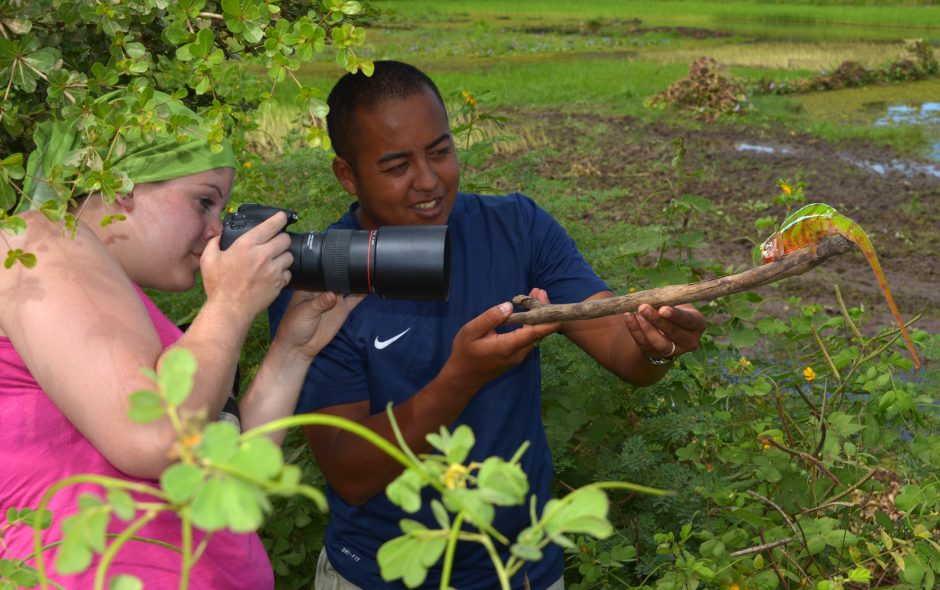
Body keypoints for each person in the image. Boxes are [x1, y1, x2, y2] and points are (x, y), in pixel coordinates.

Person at [268, 60, 708, 590]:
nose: (428, 181)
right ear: (347, 175)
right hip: (380, 576)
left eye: (440, 151)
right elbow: (352, 473)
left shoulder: (516, 228)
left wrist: (658, 343)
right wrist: (461, 377)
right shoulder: (321, 280)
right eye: (396, 165)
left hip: (523, 571)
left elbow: (623, 350)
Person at [0, 89, 360, 589]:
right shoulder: (43, 242)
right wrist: (230, 305)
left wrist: (292, 353)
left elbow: (228, 483)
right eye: (204, 201)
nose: (216, 232)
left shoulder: (131, 314)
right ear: (120, 184)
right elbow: (152, 438)